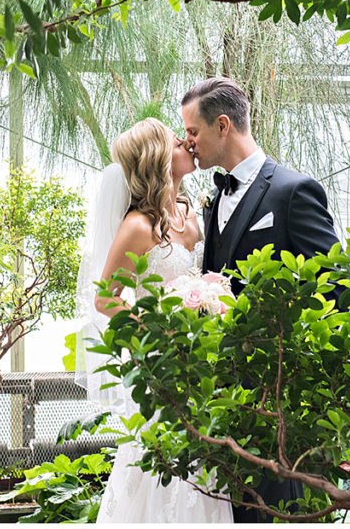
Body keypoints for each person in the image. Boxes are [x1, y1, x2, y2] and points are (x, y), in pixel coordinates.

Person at [180, 77, 341, 523]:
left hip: (276, 403)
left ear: (224, 125)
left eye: (193, 132)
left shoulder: (293, 192)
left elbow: (335, 287)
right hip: (222, 409)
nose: (188, 143)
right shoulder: (213, 200)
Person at [74, 117, 233, 524]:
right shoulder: (137, 227)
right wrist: (158, 328)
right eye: (179, 142)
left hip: (205, 369)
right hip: (162, 372)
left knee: (206, 466)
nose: (188, 145)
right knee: (165, 473)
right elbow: (105, 299)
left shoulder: (192, 213)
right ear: (160, 158)